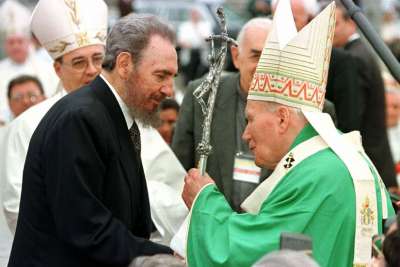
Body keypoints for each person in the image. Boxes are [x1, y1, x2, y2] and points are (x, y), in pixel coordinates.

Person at [176, 1, 394, 266]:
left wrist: (204, 200)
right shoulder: (332, 159)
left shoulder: (317, 176)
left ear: (281, 118)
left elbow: (250, 253)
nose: (245, 134)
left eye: (251, 119)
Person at [1, 0, 188, 246]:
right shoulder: (53, 122)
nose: (91, 70)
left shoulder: (126, 114)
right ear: (58, 69)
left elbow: (171, 191)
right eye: (79, 62)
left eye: (98, 60)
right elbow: (66, 218)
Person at [172, 17, 336, 211]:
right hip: (210, 227)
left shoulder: (314, 111)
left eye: (273, 57)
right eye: (256, 56)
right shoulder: (203, 95)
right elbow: (178, 171)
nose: (264, 66)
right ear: (236, 56)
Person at [332, 1, 398, 188]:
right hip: (376, 160)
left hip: (370, 164)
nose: (331, 32)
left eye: (335, 25)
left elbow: (352, 119)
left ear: (351, 24)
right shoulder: (358, 52)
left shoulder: (353, 58)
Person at [272, 0, 363, 134]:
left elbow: (348, 125)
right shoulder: (264, 56)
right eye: (275, 20)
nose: (281, 27)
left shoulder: (339, 62)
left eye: (291, 20)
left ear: (310, 21)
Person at [0, 0, 58, 124]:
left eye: (20, 41)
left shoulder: (48, 69)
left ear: (29, 42)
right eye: (11, 42)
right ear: (5, 45)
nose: (16, 46)